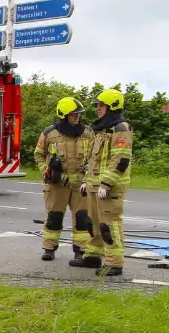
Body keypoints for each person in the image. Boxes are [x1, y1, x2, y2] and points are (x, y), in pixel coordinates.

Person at [72, 89, 132, 276]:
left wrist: (106, 184)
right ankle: (93, 255)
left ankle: (114, 263)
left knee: (109, 225)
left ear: (112, 106)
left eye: (101, 105)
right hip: (93, 186)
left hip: (108, 188)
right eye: (97, 105)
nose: (98, 109)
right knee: (93, 224)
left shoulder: (120, 128)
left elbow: (120, 159)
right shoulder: (101, 129)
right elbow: (93, 159)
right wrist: (86, 180)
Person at [35, 98, 92, 262]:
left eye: (79, 114)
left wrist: (91, 168)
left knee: (82, 218)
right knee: (54, 217)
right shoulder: (49, 133)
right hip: (57, 183)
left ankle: (80, 251)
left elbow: (96, 155)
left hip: (81, 183)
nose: (77, 117)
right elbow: (38, 154)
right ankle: (49, 249)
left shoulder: (88, 133)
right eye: (73, 114)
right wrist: (45, 170)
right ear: (64, 115)